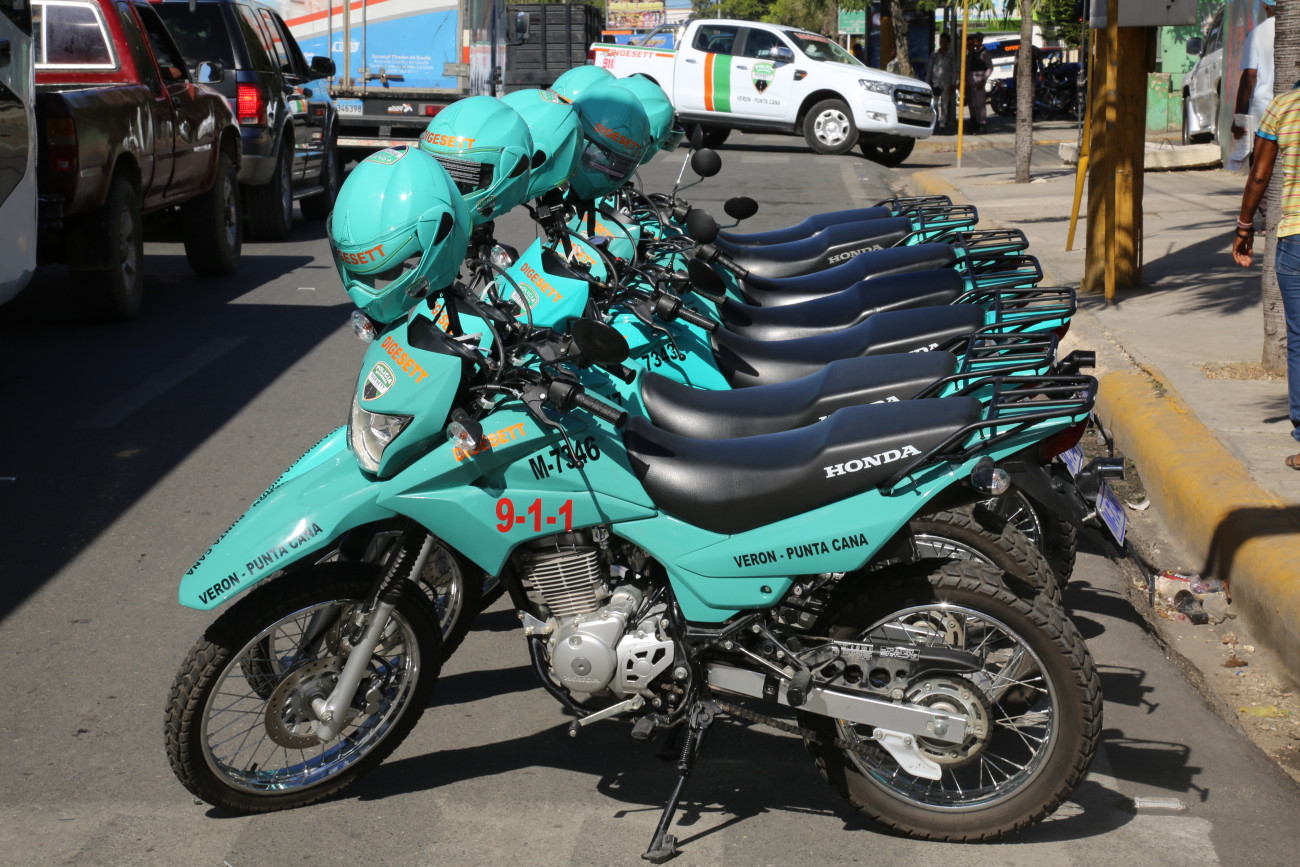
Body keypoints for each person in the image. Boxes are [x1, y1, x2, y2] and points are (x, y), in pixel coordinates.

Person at [1233, 86, 1300, 467]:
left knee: (1299, 340)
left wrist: (1245, 227)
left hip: (1296, 240)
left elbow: (1259, 174)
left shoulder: (1283, 107)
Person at [1230, 0, 1277, 147]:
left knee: (1262, 160)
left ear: (1264, 4)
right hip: (1292, 110)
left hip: (1264, 112)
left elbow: (1249, 77)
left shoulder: (1256, 34)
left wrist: (1238, 117)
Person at [927, 33, 957, 134]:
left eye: (944, 41)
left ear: (948, 43)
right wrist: (927, 83)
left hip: (947, 83)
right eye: (941, 41)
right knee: (934, 104)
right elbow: (930, 69)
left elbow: (954, 70)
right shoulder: (934, 54)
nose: (942, 43)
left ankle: (942, 125)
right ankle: (935, 123)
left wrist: (953, 83)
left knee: (944, 105)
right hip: (935, 83)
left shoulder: (951, 55)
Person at [966, 32, 992, 133]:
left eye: (977, 41)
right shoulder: (971, 54)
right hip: (971, 82)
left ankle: (982, 124)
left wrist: (983, 80)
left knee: (980, 104)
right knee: (972, 104)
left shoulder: (984, 53)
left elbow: (990, 67)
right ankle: (974, 122)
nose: (975, 43)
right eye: (974, 42)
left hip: (979, 81)